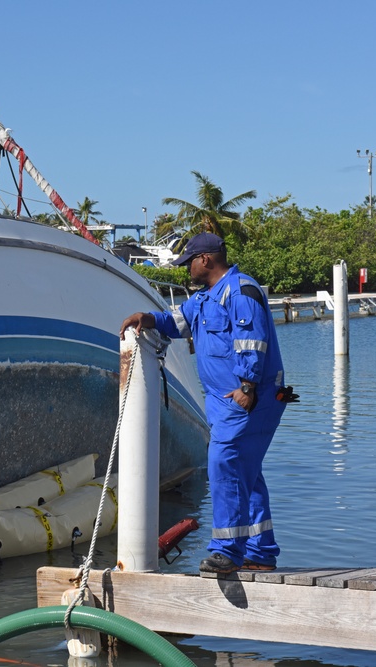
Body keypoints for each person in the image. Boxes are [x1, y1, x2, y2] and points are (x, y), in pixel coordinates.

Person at [120, 232, 291, 575]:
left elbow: (252, 342)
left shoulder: (241, 291)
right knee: (246, 473)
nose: (186, 271)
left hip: (248, 399)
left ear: (206, 260)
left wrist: (246, 385)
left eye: (189, 264)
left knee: (224, 464)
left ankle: (226, 552)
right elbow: (177, 322)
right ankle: (260, 551)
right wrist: (148, 318)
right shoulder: (204, 299)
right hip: (223, 403)